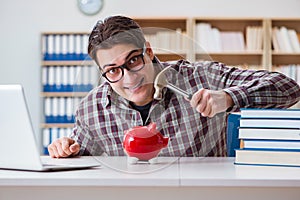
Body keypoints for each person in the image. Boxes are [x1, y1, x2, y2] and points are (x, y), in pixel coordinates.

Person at [48, 15, 300, 158]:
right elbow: (78, 155)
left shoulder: (202, 77)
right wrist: (66, 149)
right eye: (113, 70)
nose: (128, 78)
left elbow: (289, 88)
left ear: (148, 50)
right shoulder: (91, 108)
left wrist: (229, 97)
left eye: (133, 60)